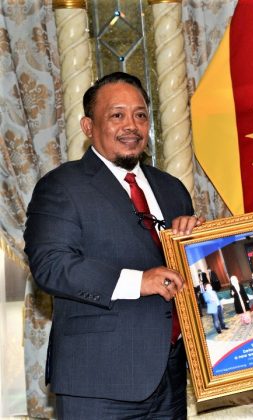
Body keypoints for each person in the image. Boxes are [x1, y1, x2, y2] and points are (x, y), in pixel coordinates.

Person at [23, 72, 203, 419]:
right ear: (88, 126)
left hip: (170, 379)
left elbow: (187, 273)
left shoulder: (172, 189)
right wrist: (139, 281)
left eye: (140, 115)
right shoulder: (61, 186)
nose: (131, 125)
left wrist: (196, 241)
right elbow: (51, 266)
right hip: (98, 383)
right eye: (117, 115)